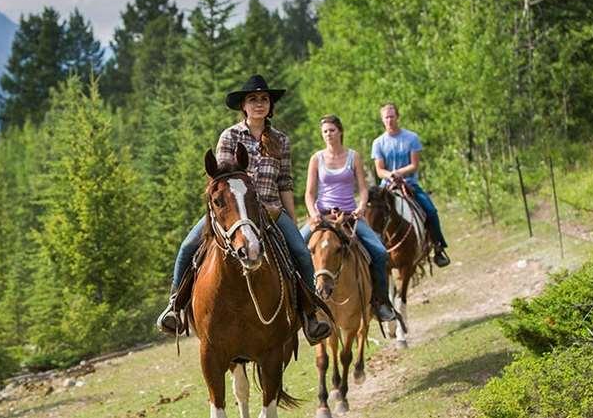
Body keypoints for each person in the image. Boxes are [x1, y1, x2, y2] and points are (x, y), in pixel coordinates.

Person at [156, 74, 332, 344]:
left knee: (300, 252)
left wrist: (292, 220)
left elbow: (285, 182)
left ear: (270, 106)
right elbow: (221, 180)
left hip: (271, 210)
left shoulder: (281, 141)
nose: (259, 104)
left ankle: (310, 315)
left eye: (264, 99)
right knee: (187, 247)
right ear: (244, 106)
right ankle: (174, 308)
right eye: (253, 99)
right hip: (234, 212)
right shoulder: (229, 136)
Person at [300, 115, 397, 322]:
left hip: (349, 217)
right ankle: (300, 305)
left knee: (379, 252)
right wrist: (314, 214)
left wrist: (361, 207)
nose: (328, 134)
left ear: (340, 131)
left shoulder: (353, 156)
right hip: (322, 216)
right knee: (295, 249)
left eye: (332, 130)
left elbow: (362, 189)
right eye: (325, 131)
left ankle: (380, 303)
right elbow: (309, 193)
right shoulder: (316, 158)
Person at [371, 103, 451, 267]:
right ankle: (370, 254)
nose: (389, 120)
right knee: (371, 214)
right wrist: (390, 174)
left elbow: (414, 165)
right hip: (387, 188)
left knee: (430, 210)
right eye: (386, 117)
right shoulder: (378, 143)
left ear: (397, 117)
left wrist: (399, 173)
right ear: (382, 120)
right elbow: (379, 170)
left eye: (392, 116)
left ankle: (438, 247)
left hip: (409, 184)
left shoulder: (411, 138)